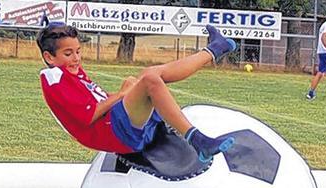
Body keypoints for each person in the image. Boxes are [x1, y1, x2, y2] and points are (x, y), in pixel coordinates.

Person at [37, 23, 236, 162]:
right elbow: (87, 115)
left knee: (145, 76)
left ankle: (216, 48)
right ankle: (198, 140)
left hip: (113, 125)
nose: (76, 58)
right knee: (149, 80)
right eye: (68, 54)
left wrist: (125, 91)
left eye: (78, 51)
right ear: (49, 57)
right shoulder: (54, 78)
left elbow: (97, 100)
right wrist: (122, 94)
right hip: (114, 134)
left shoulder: (68, 70)